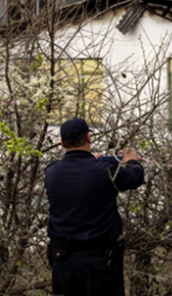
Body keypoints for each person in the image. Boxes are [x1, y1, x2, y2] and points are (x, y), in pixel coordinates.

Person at [44, 118, 145, 296]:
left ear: (62, 143)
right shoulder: (105, 170)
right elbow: (135, 177)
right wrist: (131, 160)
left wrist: (95, 161)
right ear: (88, 138)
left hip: (62, 260)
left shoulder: (51, 171)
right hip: (98, 261)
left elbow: (71, 169)